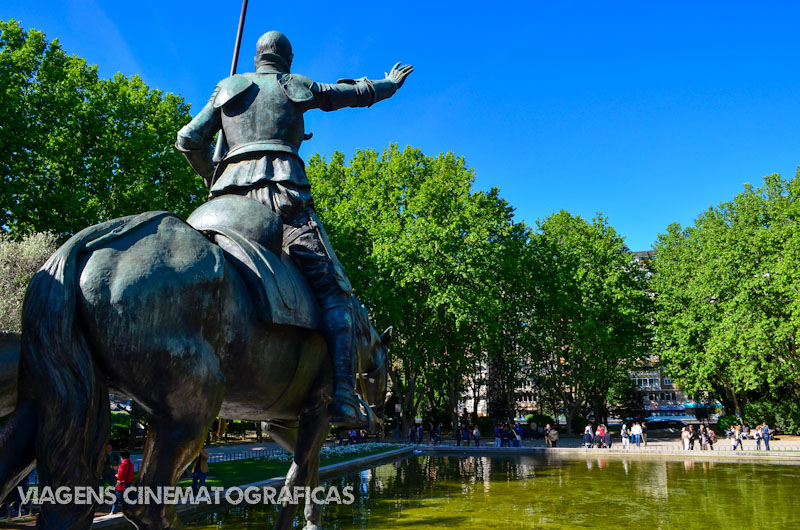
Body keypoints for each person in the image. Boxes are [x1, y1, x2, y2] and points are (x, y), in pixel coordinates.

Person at [175, 31, 413, 429]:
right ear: (286, 59)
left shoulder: (226, 88)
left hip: (221, 203)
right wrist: (388, 84)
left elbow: (187, 139)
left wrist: (212, 176)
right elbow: (347, 94)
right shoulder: (293, 85)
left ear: (256, 58)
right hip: (284, 201)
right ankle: (342, 394)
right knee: (335, 292)